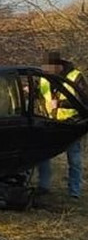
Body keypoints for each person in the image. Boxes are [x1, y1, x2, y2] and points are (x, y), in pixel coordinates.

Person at [37, 50, 86, 198]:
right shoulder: (44, 77)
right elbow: (40, 95)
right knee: (43, 156)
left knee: (74, 160)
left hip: (70, 124)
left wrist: (60, 103)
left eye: (50, 69)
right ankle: (43, 187)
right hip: (50, 123)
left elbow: (84, 100)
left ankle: (74, 192)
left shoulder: (75, 76)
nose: (47, 72)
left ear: (58, 66)